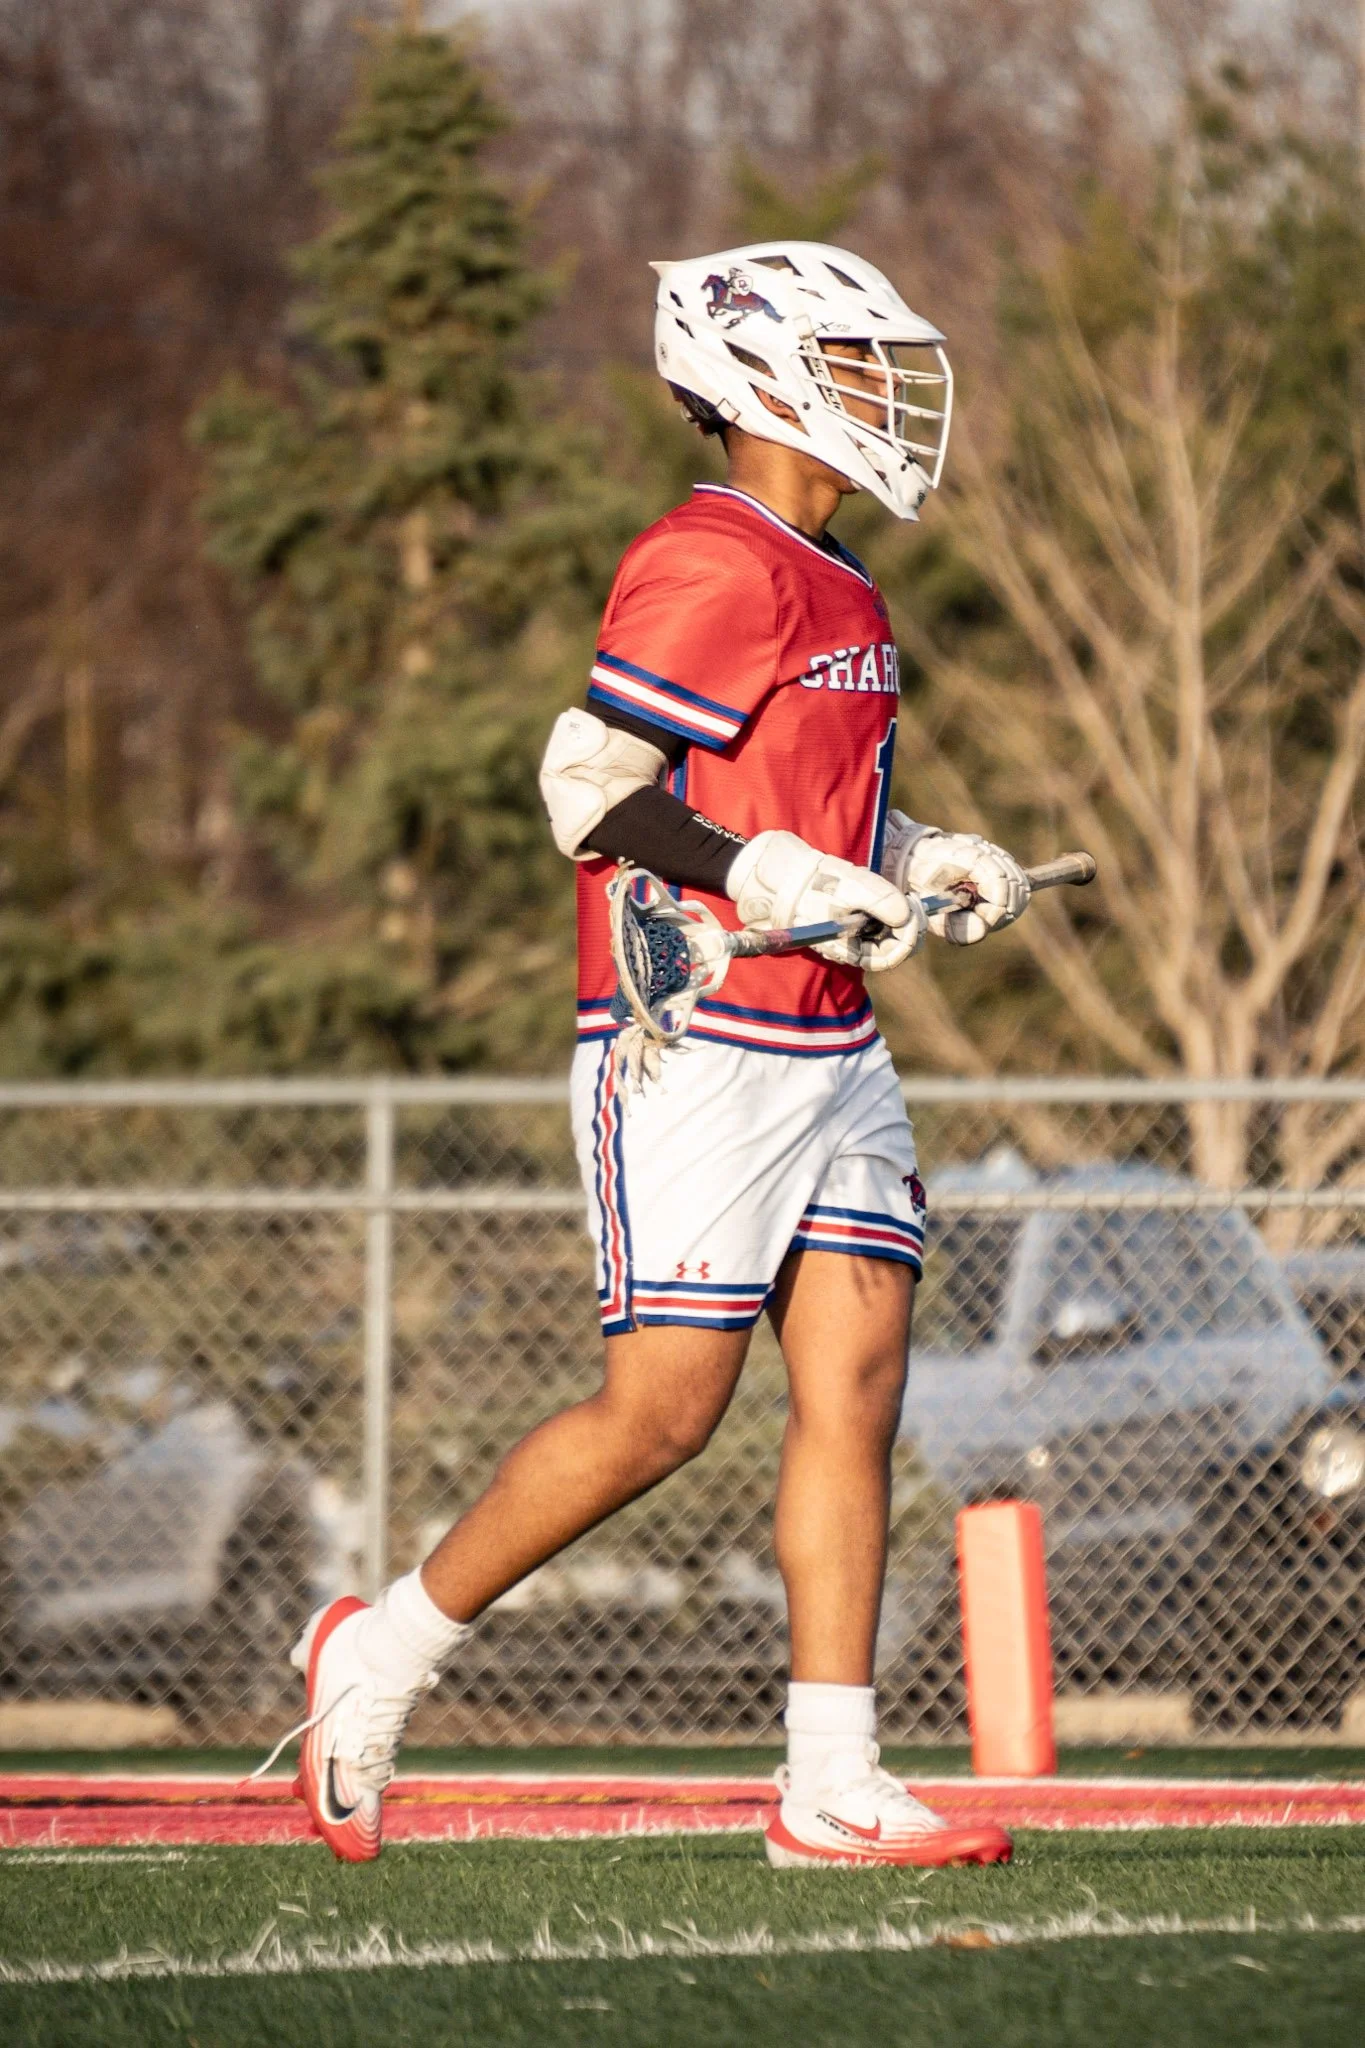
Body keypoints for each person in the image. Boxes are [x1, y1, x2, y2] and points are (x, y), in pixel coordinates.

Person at [285, 242, 1029, 1868]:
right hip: (688, 1041)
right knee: (662, 1417)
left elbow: (798, 810)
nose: (881, 391)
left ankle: (828, 1781)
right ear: (765, 378)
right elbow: (593, 786)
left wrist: (918, 858)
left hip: (831, 1043)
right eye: (849, 358)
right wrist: (762, 877)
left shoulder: (849, 583)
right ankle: (383, 1653)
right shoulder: (712, 558)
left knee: (856, 1382)